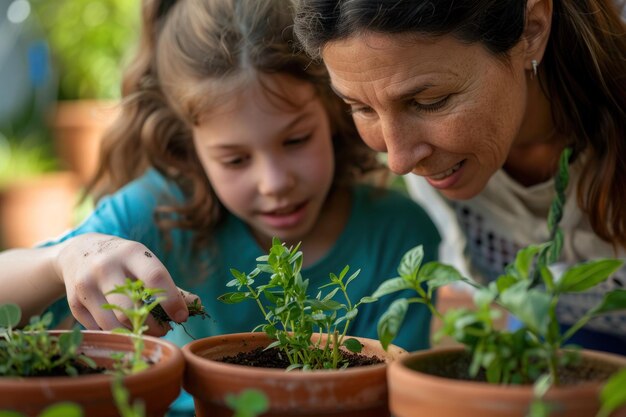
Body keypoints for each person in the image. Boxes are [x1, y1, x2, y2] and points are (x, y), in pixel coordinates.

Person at [0, 2, 441, 353]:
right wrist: (64, 260)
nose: (274, 182)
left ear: (335, 110)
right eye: (234, 160)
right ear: (189, 148)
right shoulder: (155, 213)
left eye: (296, 140)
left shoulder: (398, 233)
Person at [293, 0, 626, 354]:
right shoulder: (430, 146)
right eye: (361, 107)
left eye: (430, 101)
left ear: (531, 30)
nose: (398, 160)